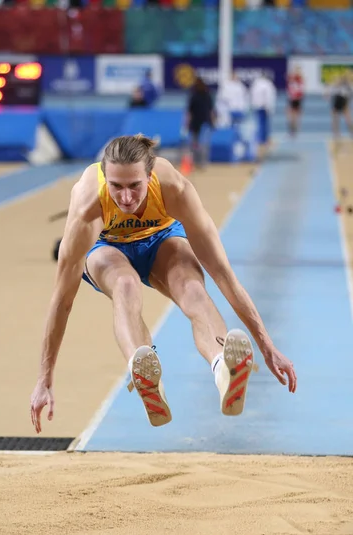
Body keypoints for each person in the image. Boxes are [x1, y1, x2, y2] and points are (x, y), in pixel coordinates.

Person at [30, 134, 296, 433]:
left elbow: (224, 276)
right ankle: (143, 371)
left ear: (150, 175)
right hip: (106, 247)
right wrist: (44, 379)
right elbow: (62, 301)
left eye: (135, 186)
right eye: (116, 186)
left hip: (160, 236)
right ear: (105, 177)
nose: (126, 198)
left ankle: (224, 369)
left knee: (193, 289)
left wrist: (267, 346)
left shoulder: (175, 189)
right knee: (125, 285)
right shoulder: (87, 208)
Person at [185, 76, 216, 168]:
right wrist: (213, 122)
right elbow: (211, 111)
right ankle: (203, 163)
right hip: (205, 122)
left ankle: (196, 162)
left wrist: (187, 123)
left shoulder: (194, 96)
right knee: (204, 144)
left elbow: (189, 112)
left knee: (195, 145)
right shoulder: (207, 95)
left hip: (196, 123)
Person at [250, 72, 277, 161]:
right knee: (263, 128)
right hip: (263, 107)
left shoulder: (256, 84)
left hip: (257, 107)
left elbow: (252, 96)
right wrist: (268, 108)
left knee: (260, 127)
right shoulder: (267, 85)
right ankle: (262, 147)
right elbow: (268, 97)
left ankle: (261, 146)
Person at [326, 71, 353, 142]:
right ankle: (336, 134)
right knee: (335, 118)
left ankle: (350, 132)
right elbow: (330, 88)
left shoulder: (348, 85)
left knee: (348, 118)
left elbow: (349, 96)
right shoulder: (339, 83)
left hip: (343, 100)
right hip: (338, 99)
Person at [286, 66, 304, 136]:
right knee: (291, 115)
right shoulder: (292, 79)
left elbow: (301, 90)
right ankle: (292, 129)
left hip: (296, 99)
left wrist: (297, 97)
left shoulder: (300, 80)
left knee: (296, 116)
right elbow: (290, 88)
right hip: (292, 98)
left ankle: (295, 129)